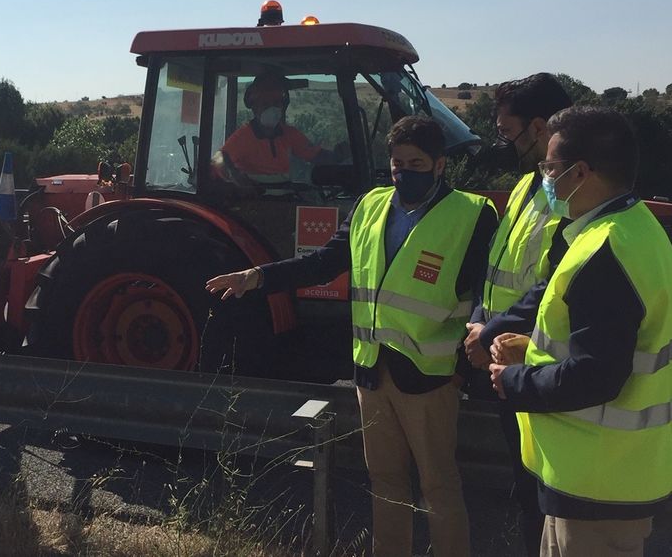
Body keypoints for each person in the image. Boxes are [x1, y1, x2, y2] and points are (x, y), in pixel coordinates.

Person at [207, 116, 497, 557]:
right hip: (372, 371)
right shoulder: (371, 206)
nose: (403, 173)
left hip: (432, 376)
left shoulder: (473, 214)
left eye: (415, 163)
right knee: (385, 482)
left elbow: (482, 294)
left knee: (438, 485)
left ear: (440, 165)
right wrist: (257, 277)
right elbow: (324, 263)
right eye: (397, 163)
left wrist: (464, 370)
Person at [486, 106, 672, 557]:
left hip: (599, 483)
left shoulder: (604, 250)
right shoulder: (632, 228)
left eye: (551, 168)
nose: (546, 179)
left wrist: (513, 380)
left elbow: (597, 375)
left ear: (581, 172)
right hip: (607, 474)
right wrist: (531, 349)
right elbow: (607, 344)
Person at [462, 72, 573, 556]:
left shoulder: (563, 195)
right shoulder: (531, 186)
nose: (506, 144)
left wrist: (494, 328)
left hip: (540, 361)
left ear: (541, 127)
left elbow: (556, 280)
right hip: (508, 357)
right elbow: (501, 271)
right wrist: (481, 321)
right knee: (527, 488)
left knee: (543, 494)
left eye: (509, 134)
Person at [214, 70, 338, 188]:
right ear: (254, 107)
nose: (272, 110)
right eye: (266, 104)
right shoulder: (243, 137)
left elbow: (315, 155)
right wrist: (236, 179)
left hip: (284, 196)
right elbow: (219, 160)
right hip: (254, 201)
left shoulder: (289, 134)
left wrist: (341, 155)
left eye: (276, 104)